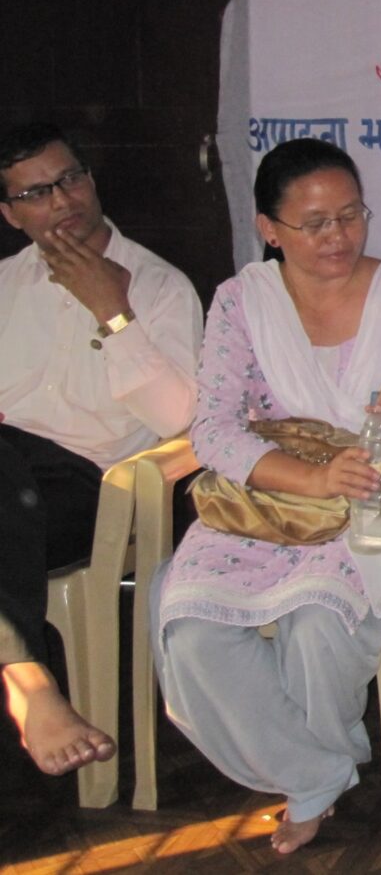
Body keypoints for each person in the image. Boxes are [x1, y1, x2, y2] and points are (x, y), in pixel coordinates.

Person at [150, 139, 381, 855]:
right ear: (269, 230)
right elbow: (214, 430)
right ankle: (317, 768)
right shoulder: (241, 301)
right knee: (191, 632)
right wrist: (312, 478)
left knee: (319, 626)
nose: (339, 237)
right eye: (314, 223)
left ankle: (314, 786)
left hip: (372, 511)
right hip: (267, 507)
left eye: (351, 215)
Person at [0, 122, 201, 777]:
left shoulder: (160, 286)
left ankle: (27, 681)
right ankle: (25, 674)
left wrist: (114, 314)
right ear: (10, 213)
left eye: (70, 179)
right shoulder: (4, 285)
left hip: (88, 485)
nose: (61, 201)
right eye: (36, 192)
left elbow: (182, 419)